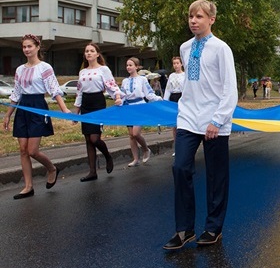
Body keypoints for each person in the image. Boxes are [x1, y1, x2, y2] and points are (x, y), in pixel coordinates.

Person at [163, 0, 238, 250]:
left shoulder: (221, 48)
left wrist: (218, 119)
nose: (193, 21)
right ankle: (184, 229)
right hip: (188, 116)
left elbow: (230, 88)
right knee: (180, 167)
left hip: (214, 120)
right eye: (191, 17)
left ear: (211, 19)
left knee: (216, 176)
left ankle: (213, 228)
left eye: (199, 17)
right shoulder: (185, 48)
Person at [2, 34, 70, 199]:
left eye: (29, 46)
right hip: (23, 107)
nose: (26, 49)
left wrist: (64, 110)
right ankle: (28, 187)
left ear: (37, 47)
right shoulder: (20, 69)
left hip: (38, 106)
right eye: (24, 47)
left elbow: (54, 90)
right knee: (23, 150)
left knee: (32, 150)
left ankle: (52, 168)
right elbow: (16, 93)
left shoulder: (45, 67)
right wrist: (8, 115)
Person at [74, 43, 123, 182]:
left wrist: (118, 97)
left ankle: (107, 156)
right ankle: (92, 172)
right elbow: (79, 92)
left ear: (97, 54)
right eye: (86, 51)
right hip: (86, 104)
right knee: (88, 140)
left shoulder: (103, 69)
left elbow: (112, 85)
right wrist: (76, 112)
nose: (89, 53)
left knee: (95, 138)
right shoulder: (82, 72)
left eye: (92, 51)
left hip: (97, 102)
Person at [121, 57, 163, 167]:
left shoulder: (142, 79)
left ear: (137, 66)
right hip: (128, 108)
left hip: (140, 107)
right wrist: (118, 101)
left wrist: (158, 99)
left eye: (130, 65)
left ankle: (145, 149)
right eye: (127, 65)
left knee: (136, 133)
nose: (128, 67)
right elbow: (122, 95)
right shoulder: (125, 81)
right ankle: (135, 159)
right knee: (131, 135)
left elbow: (148, 93)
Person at [163, 56, 186, 156]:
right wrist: (165, 102)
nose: (176, 65)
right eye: (174, 63)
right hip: (173, 98)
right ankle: (177, 148)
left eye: (177, 63)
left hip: (183, 98)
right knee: (175, 125)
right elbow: (168, 89)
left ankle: (185, 147)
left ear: (181, 64)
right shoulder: (171, 76)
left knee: (183, 123)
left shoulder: (185, 75)